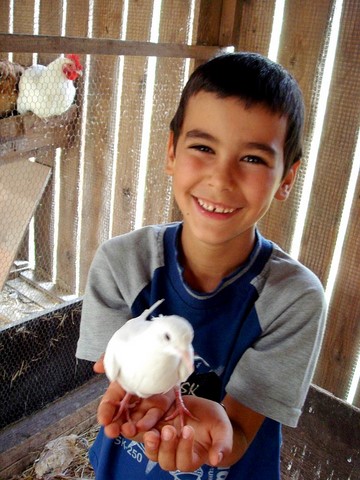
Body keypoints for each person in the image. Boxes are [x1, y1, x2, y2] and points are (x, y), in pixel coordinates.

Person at [76, 52, 326, 479]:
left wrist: (216, 439)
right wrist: (142, 400)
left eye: (252, 159)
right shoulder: (121, 265)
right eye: (203, 147)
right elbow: (122, 379)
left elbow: (240, 432)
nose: (221, 178)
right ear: (172, 150)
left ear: (287, 178)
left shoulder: (294, 300)